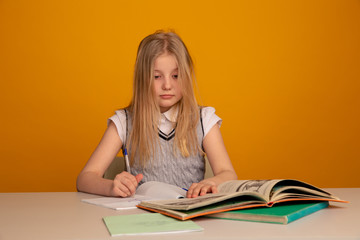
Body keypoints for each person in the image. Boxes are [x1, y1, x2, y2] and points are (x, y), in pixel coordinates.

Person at [76, 30, 237, 198]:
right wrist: (110, 187)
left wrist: (213, 182)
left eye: (176, 75)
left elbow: (228, 173)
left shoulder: (204, 119)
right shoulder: (124, 121)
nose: (167, 85)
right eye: (156, 76)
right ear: (142, 78)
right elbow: (85, 178)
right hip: (143, 216)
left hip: (189, 215)